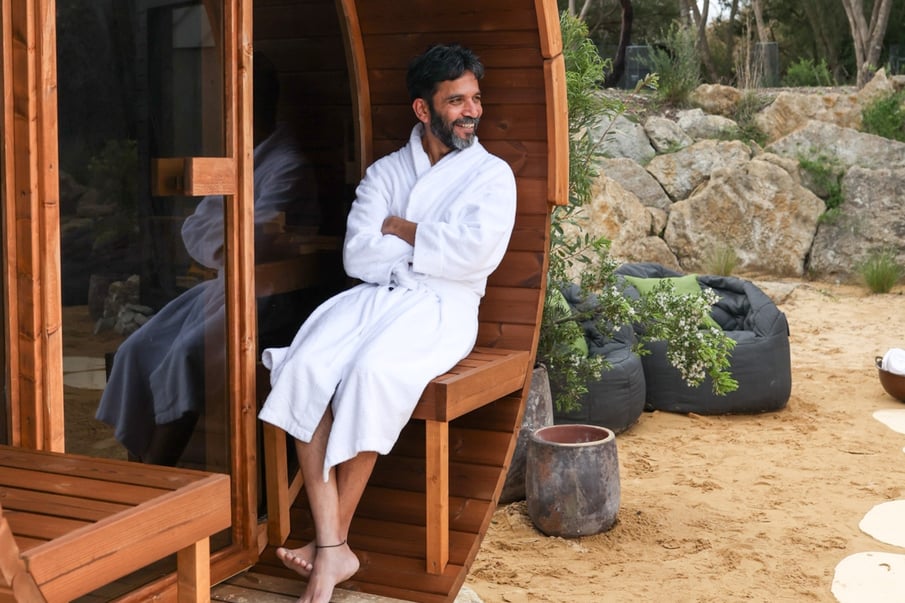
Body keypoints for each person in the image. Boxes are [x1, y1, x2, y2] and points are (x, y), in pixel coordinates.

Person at [257, 43, 517, 603]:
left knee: (373, 374)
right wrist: (426, 246)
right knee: (303, 367)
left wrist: (400, 228)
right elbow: (358, 255)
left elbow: (476, 254)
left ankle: (329, 548)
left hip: (444, 308)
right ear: (423, 109)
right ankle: (333, 545)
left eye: (475, 98)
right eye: (456, 101)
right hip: (376, 297)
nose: (472, 111)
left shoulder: (492, 176)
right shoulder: (385, 172)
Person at [96, 53, 320, 465]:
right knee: (136, 349)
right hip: (223, 284)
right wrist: (230, 240)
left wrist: (231, 240)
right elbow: (195, 229)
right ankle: (137, 465)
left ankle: (157, 471)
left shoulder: (288, 166)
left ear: (252, 105)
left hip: (269, 298)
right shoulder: (239, 161)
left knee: (185, 357)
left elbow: (258, 240)